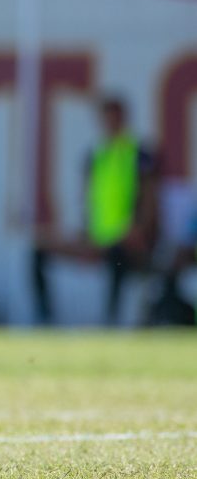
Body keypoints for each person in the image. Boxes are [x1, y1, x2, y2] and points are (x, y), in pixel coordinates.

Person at [31, 95, 159, 326]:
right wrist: (85, 231)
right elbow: (89, 201)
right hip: (98, 237)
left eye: (115, 118)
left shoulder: (139, 153)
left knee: (117, 255)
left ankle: (111, 321)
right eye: (106, 118)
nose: (110, 124)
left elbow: (150, 200)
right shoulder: (94, 156)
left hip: (129, 239)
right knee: (38, 249)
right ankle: (45, 317)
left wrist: (140, 230)